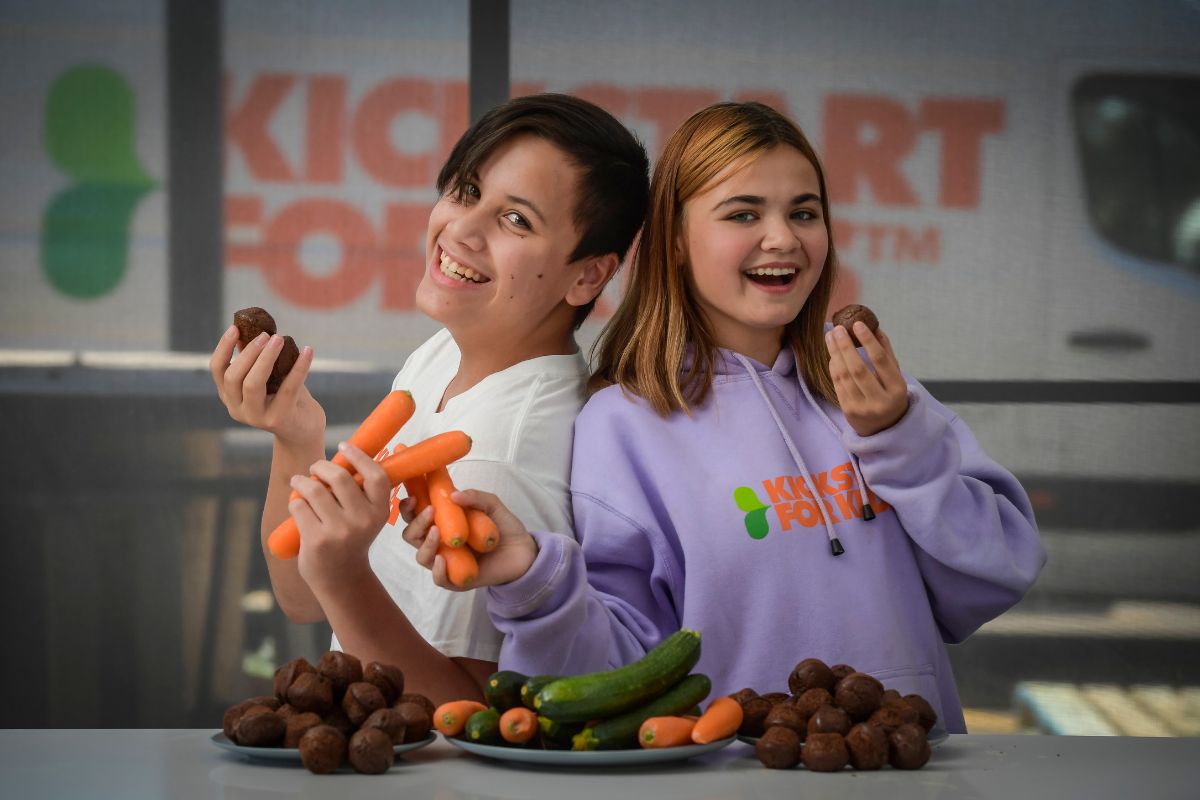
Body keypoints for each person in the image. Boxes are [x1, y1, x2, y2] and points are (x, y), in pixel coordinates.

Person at [404, 101, 1046, 731]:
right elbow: (622, 672)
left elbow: (995, 576)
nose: (783, 237)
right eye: (744, 213)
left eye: (804, 212)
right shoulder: (622, 425)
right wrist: (533, 578)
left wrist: (897, 443)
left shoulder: (873, 391)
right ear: (676, 242)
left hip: (910, 769)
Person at [209, 94, 650, 704]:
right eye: (467, 192)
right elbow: (303, 595)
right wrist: (298, 436)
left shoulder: (504, 454)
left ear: (589, 276)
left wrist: (345, 577)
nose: (461, 230)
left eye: (516, 219)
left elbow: (465, 717)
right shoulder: (443, 355)